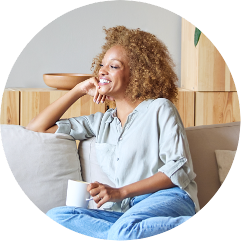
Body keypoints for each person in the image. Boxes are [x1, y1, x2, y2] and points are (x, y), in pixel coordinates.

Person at [26, 26, 200, 240]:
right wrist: (78, 90)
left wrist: (120, 192)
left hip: (168, 199)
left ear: (137, 75)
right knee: (56, 216)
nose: (102, 71)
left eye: (114, 66)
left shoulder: (160, 109)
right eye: (102, 65)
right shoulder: (102, 122)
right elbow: (37, 127)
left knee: (123, 231)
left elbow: (178, 169)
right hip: (126, 213)